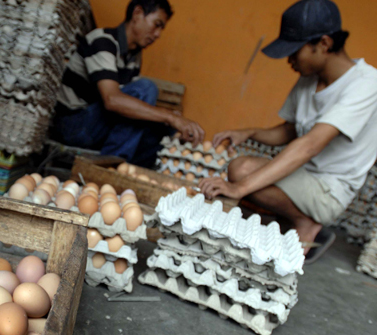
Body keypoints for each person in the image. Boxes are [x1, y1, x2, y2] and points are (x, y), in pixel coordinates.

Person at [199, 0, 377, 263]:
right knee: (241, 171)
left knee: (242, 172)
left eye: (295, 50)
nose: (289, 59)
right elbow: (288, 133)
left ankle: (305, 223)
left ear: (324, 44)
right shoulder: (308, 79)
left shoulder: (366, 84)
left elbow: (309, 145)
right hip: (302, 177)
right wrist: (248, 132)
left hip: (328, 190)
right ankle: (291, 221)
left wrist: (239, 189)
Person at [53, 0, 204, 168]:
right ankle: (109, 169)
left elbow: (129, 109)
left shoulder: (133, 56)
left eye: (161, 29)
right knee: (147, 89)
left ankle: (124, 170)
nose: (157, 35)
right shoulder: (102, 41)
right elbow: (112, 100)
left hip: (96, 127)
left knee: (160, 131)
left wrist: (169, 123)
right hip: (72, 124)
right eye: (157, 25)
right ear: (137, 13)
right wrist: (169, 116)